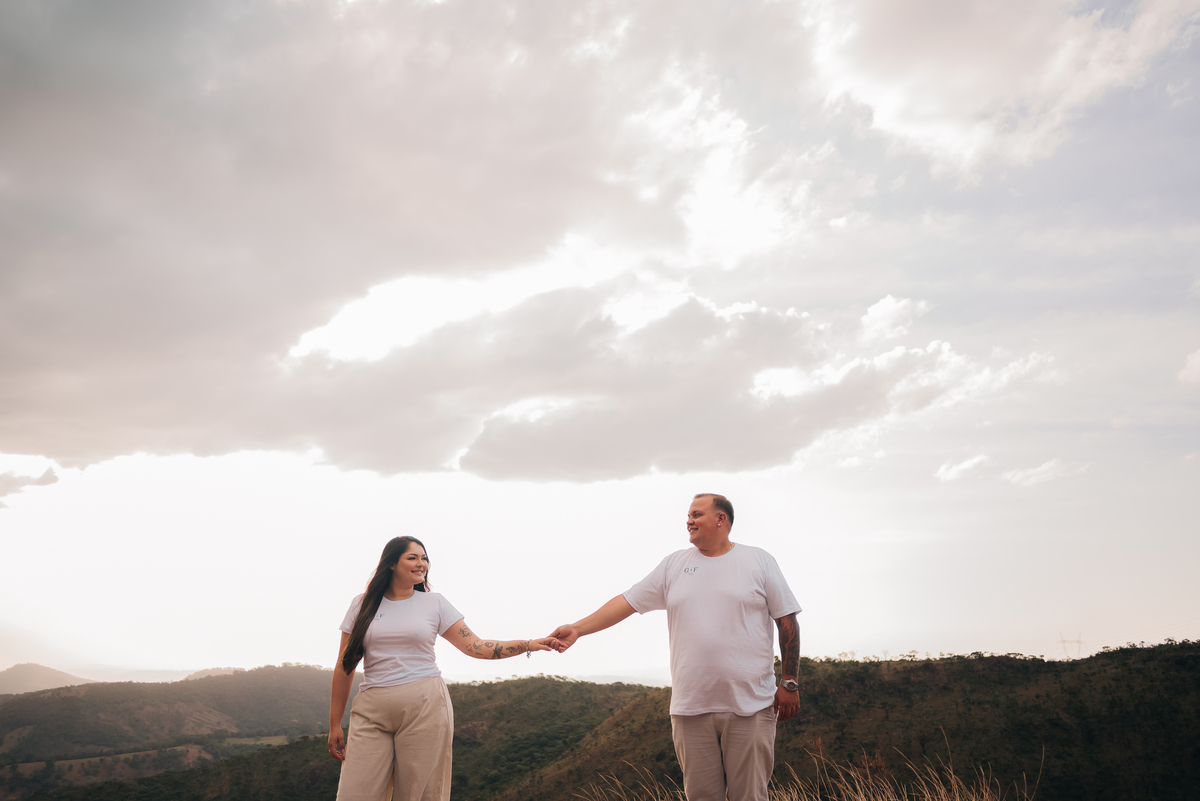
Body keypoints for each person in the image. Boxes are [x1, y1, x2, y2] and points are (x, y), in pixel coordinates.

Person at [549, 493, 801, 801]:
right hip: (690, 708)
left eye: (697, 514)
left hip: (750, 706)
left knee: (749, 796)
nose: (689, 521)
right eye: (688, 515)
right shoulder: (674, 565)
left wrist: (789, 682)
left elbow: (787, 620)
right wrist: (578, 629)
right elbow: (627, 602)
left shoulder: (758, 561)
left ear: (721, 519)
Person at [328, 536, 557, 801]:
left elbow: (475, 646)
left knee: (418, 794)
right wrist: (335, 724)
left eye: (424, 558)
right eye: (412, 557)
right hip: (371, 708)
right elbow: (344, 665)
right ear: (391, 563)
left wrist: (527, 644)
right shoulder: (362, 604)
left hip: (425, 705)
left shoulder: (434, 603)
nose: (421, 563)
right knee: (355, 792)